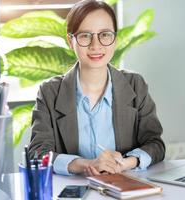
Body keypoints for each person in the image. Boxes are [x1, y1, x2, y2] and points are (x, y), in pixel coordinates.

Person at [29, 0, 165, 176]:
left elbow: (155, 144)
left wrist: (126, 163)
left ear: (114, 39)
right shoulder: (49, 92)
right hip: (74, 189)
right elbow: (38, 153)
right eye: (85, 35)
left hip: (124, 185)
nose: (96, 45)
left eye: (105, 35)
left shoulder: (135, 85)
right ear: (71, 41)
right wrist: (88, 164)